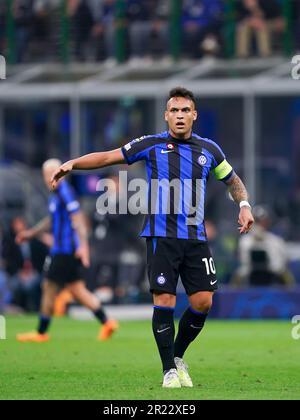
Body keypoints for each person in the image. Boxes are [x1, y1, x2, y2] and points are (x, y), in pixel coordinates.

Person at [51, 87, 254, 388]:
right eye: (174, 111)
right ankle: (168, 371)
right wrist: (73, 164)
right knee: (165, 300)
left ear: (194, 115)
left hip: (195, 239)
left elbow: (232, 179)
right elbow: (109, 157)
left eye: (186, 110)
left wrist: (244, 205)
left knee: (203, 303)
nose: (180, 116)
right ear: (166, 115)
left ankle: (178, 356)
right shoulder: (151, 144)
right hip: (161, 237)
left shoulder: (210, 150)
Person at [16, 159, 118, 343]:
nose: (49, 177)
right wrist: (31, 234)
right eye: (46, 174)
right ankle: (107, 322)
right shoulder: (56, 195)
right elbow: (51, 220)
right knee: (78, 289)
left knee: (48, 287)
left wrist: (83, 246)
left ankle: (41, 332)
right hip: (66, 250)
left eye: (52, 173)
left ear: (62, 172)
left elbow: (78, 218)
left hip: (64, 250)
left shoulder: (64, 191)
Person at [232, 205, 295, 287]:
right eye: (256, 221)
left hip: (274, 281)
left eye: (261, 221)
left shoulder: (276, 241)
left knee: (286, 276)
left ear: (267, 222)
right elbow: (243, 266)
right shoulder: (244, 241)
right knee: (237, 276)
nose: (259, 224)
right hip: (249, 281)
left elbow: (282, 265)